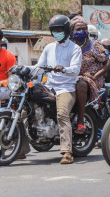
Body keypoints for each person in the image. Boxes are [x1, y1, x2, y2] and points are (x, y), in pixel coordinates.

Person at [37, 15, 82, 164]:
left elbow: (75, 70)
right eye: (54, 30)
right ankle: (21, 150)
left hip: (66, 88)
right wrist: (22, 69)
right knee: (26, 110)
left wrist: (63, 69)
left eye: (59, 30)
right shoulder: (49, 47)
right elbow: (39, 67)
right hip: (49, 86)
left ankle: (67, 151)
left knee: (62, 113)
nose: (56, 32)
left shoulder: (75, 48)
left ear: (67, 30)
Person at [0, 27, 30, 159]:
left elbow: (12, 79)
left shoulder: (8, 56)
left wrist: (0, 82)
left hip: (4, 89)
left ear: (0, 41)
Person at [71, 16, 110, 136]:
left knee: (81, 83)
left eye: (84, 29)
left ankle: (81, 120)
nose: (81, 31)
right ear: (72, 30)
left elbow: (107, 63)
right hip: (72, 77)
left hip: (92, 79)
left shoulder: (94, 45)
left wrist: (95, 76)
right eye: (78, 29)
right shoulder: (70, 46)